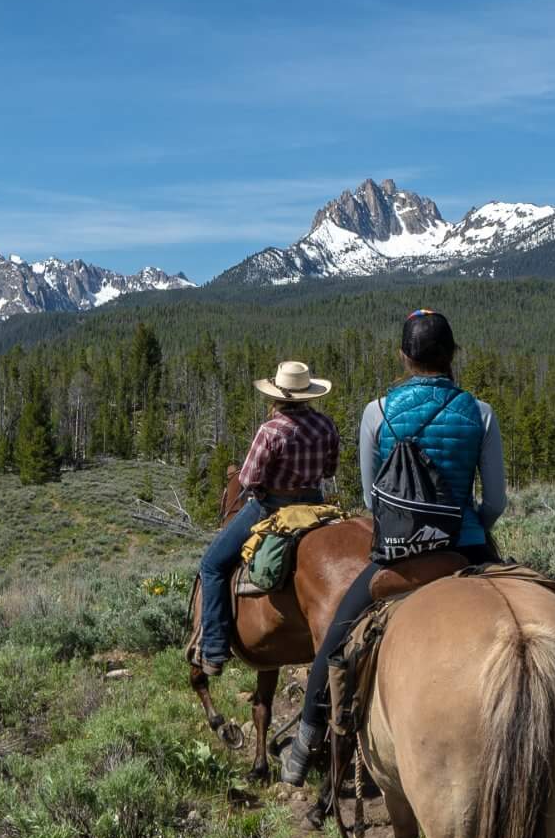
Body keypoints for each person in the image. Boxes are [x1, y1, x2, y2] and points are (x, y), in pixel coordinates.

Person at [282, 308, 505, 786]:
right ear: (453, 355)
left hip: (399, 555)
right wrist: (473, 527)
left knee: (338, 637)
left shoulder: (377, 413)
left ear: (404, 357)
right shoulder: (480, 413)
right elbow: (496, 501)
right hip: (465, 548)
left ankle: (306, 740)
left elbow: (370, 498)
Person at [197, 359, 341, 674]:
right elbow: (329, 470)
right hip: (316, 507)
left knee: (211, 566)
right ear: (308, 395)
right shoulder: (326, 425)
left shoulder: (271, 429)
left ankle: (213, 648)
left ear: (277, 395)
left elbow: (248, 480)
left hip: (272, 507)